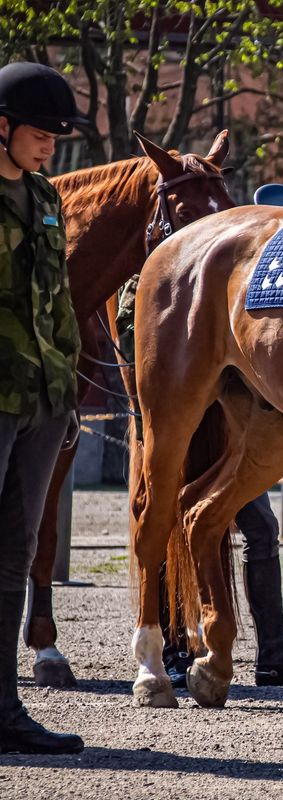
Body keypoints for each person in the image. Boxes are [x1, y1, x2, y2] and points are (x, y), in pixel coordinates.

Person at [115, 262, 283, 694]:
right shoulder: (151, 267)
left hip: (230, 419)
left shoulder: (226, 251)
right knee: (163, 516)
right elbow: (131, 337)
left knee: (262, 526)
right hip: (181, 421)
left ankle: (273, 653)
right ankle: (174, 647)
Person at [0, 61, 87, 755]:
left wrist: (67, 386)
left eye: (57, 136)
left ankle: (4, 709)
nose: (51, 145)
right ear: (1, 128)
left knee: (14, 556)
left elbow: (58, 303)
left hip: (40, 401)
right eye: (40, 133)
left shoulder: (47, 197)